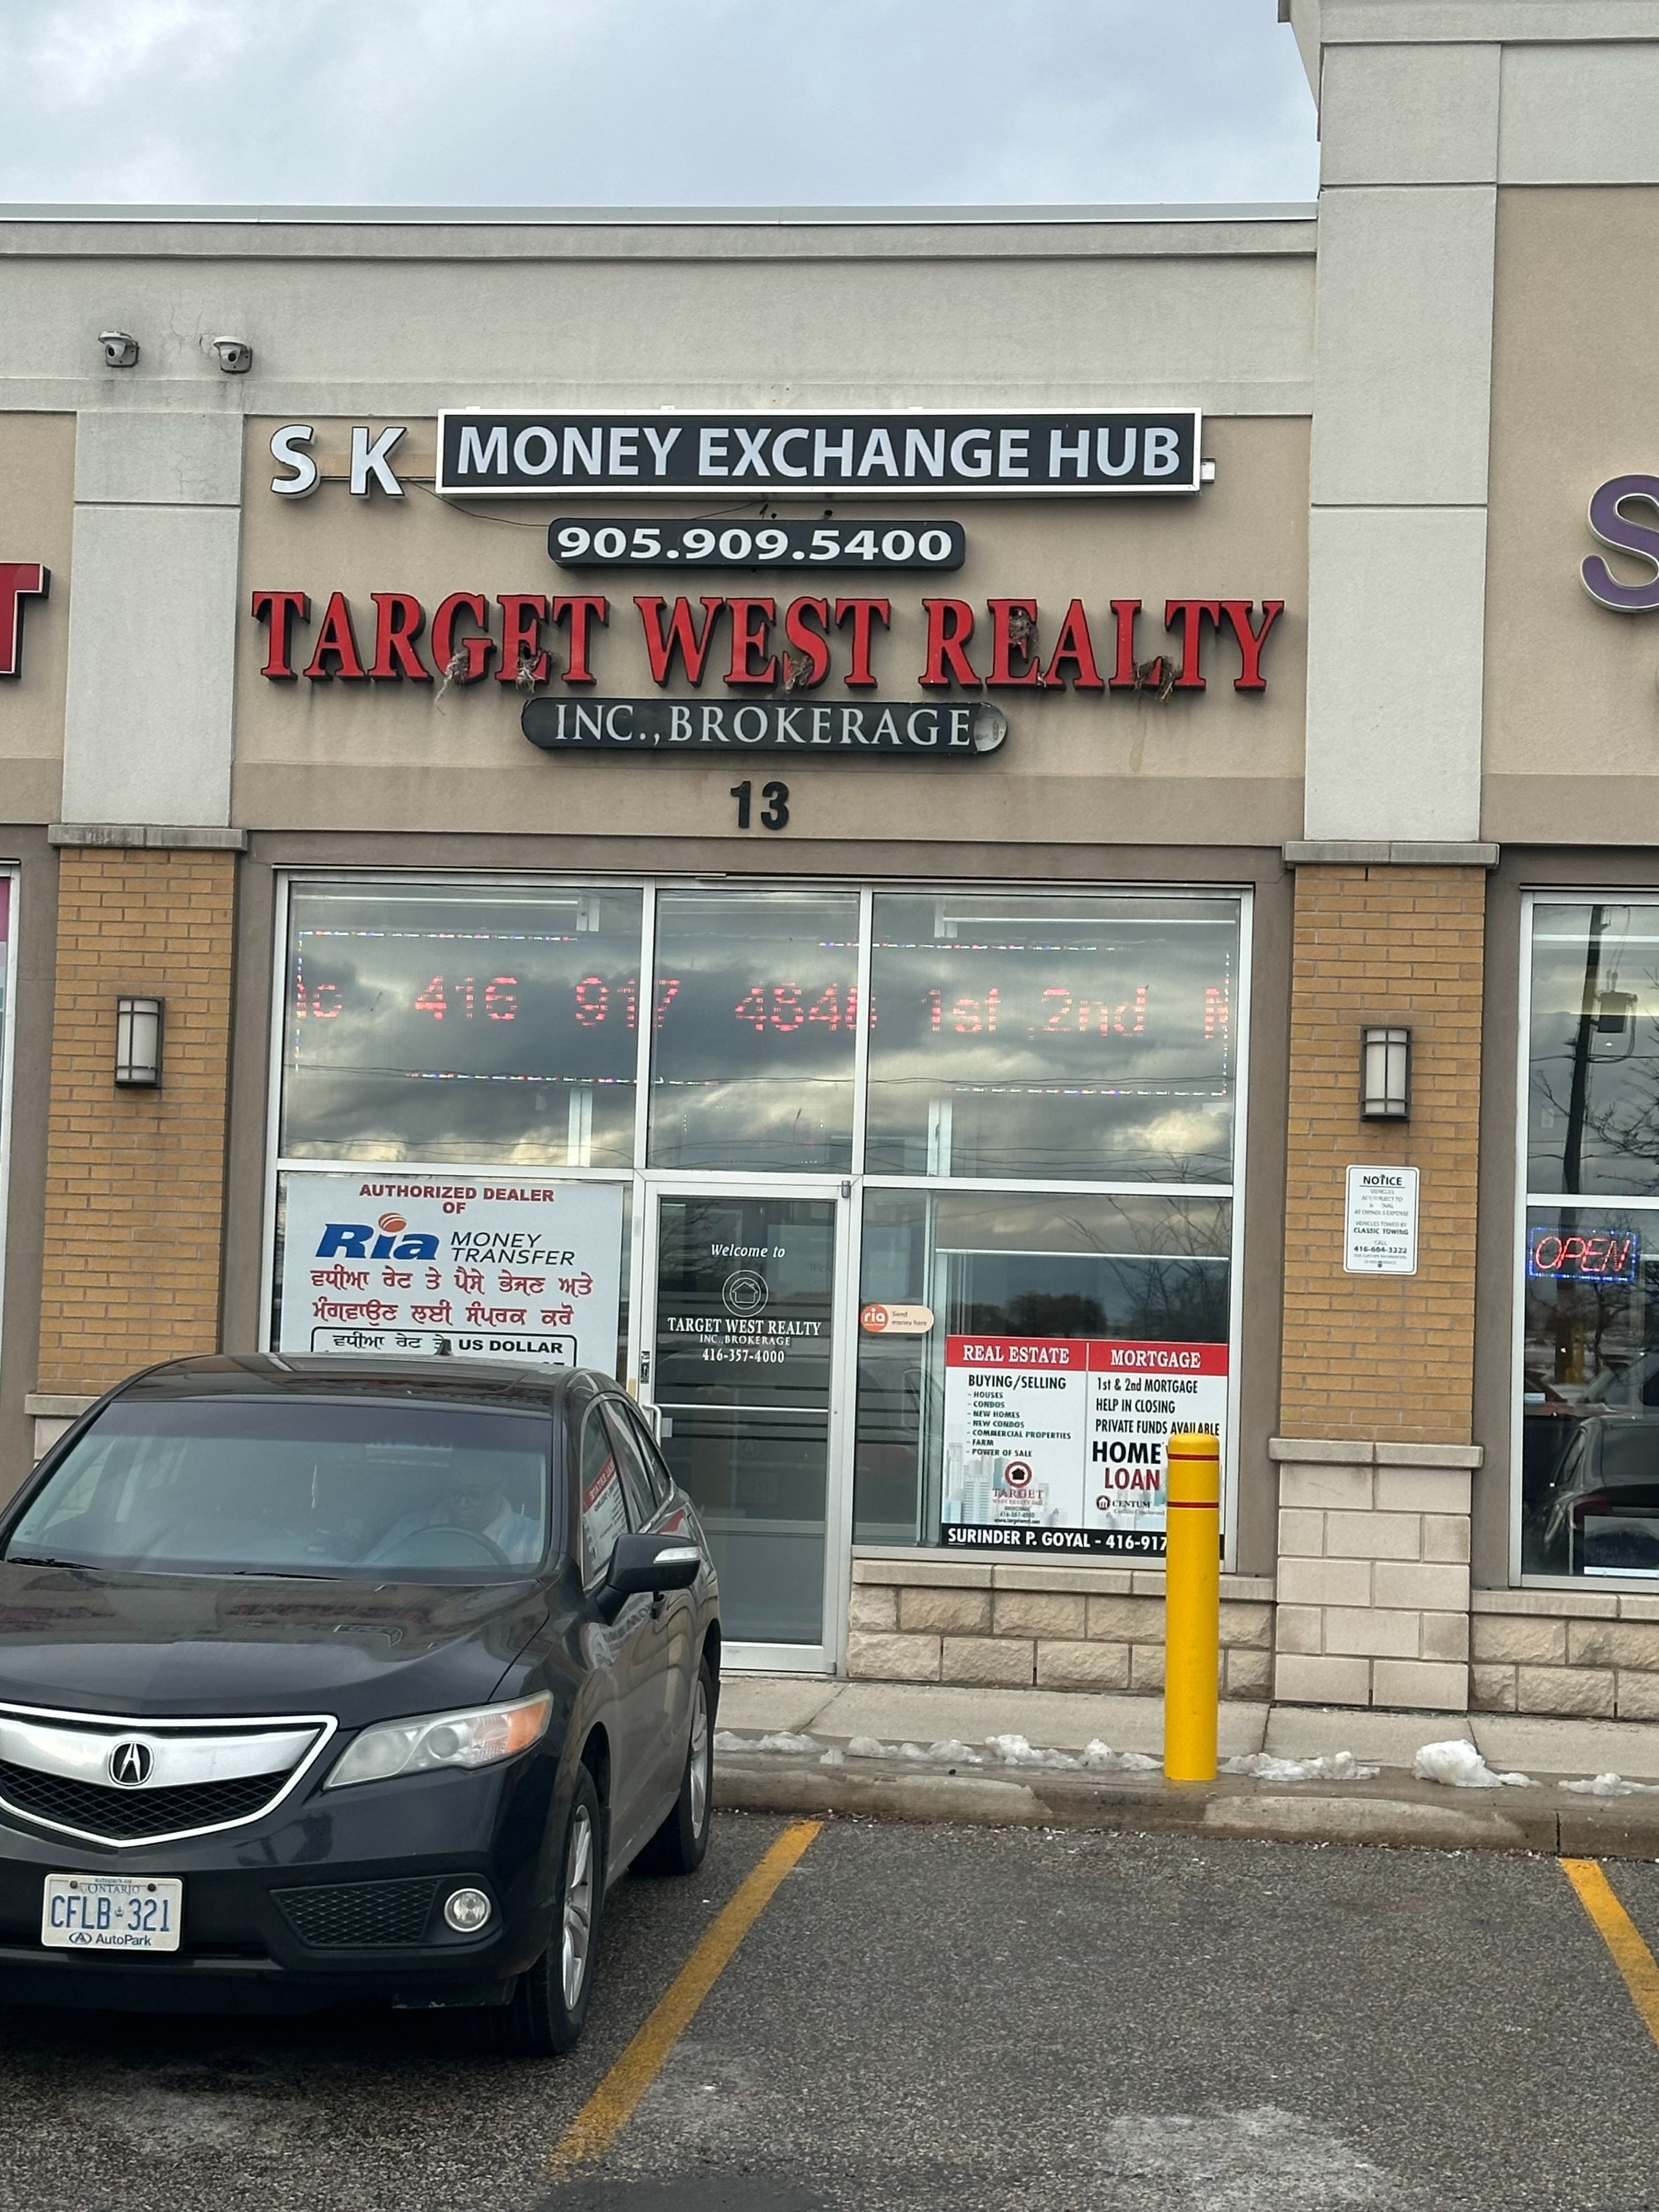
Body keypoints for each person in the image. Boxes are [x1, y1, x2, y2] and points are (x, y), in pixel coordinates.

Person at [374, 1467, 542, 1566]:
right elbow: (372, 1568)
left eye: (476, 1495)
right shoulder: (412, 1527)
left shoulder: (534, 1538)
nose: (462, 1503)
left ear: (501, 1488)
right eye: (454, 1492)